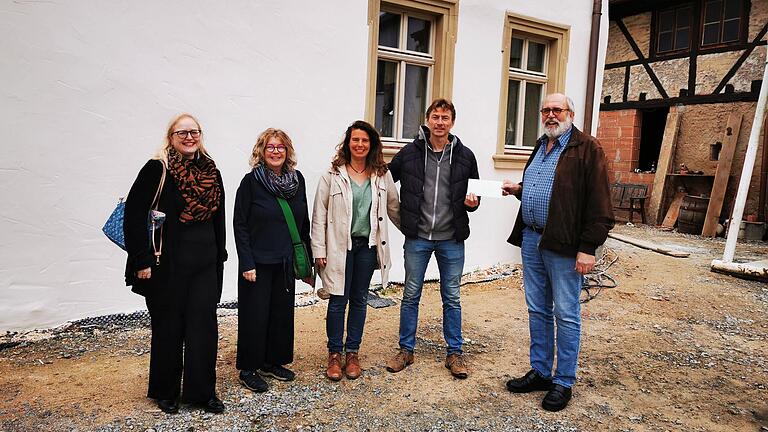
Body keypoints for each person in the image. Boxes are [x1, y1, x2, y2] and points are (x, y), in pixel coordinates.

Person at [502, 93, 614, 412]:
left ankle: (563, 380)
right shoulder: (541, 146)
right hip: (532, 240)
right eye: (546, 110)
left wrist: (588, 248)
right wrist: (519, 190)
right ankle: (540, 372)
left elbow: (600, 204)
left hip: (565, 245)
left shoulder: (587, 149)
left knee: (566, 313)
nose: (551, 115)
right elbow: (546, 190)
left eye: (557, 110)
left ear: (570, 113)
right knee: (537, 309)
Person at [124, 113, 227, 414]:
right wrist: (141, 259)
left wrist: (220, 255)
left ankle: (201, 392)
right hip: (166, 265)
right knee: (168, 327)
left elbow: (218, 218)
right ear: (170, 137)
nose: (189, 137)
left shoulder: (212, 171)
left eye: (194, 132)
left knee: (203, 328)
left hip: (205, 264)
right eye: (181, 132)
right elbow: (133, 215)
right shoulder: (158, 169)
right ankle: (165, 390)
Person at [385, 98, 480, 379]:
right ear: (427, 120)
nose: (440, 122)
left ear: (452, 122)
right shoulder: (410, 153)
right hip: (418, 238)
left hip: (451, 238)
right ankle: (406, 350)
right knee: (410, 294)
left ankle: (455, 354)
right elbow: (386, 180)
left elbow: (474, 196)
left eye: (445, 117)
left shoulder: (465, 156)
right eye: (435, 117)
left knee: (452, 296)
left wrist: (473, 203)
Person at [311, 120, 401, 381]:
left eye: (365, 140)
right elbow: (319, 215)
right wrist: (319, 249)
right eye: (355, 140)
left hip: (367, 247)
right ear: (348, 143)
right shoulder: (332, 175)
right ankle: (334, 355)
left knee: (360, 299)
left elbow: (394, 208)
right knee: (338, 299)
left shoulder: (381, 175)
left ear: (371, 144)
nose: (360, 144)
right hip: (339, 248)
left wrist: (415, 232)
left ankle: (353, 353)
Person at [233, 128, 313, 393]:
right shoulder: (250, 182)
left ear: (287, 151)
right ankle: (248, 368)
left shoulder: (297, 180)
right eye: (270, 147)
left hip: (285, 261)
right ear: (261, 151)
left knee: (280, 315)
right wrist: (246, 263)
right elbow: (240, 224)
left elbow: (303, 224)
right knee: (254, 316)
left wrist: (307, 263)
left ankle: (272, 361)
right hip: (257, 262)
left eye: (280, 147)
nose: (276, 151)